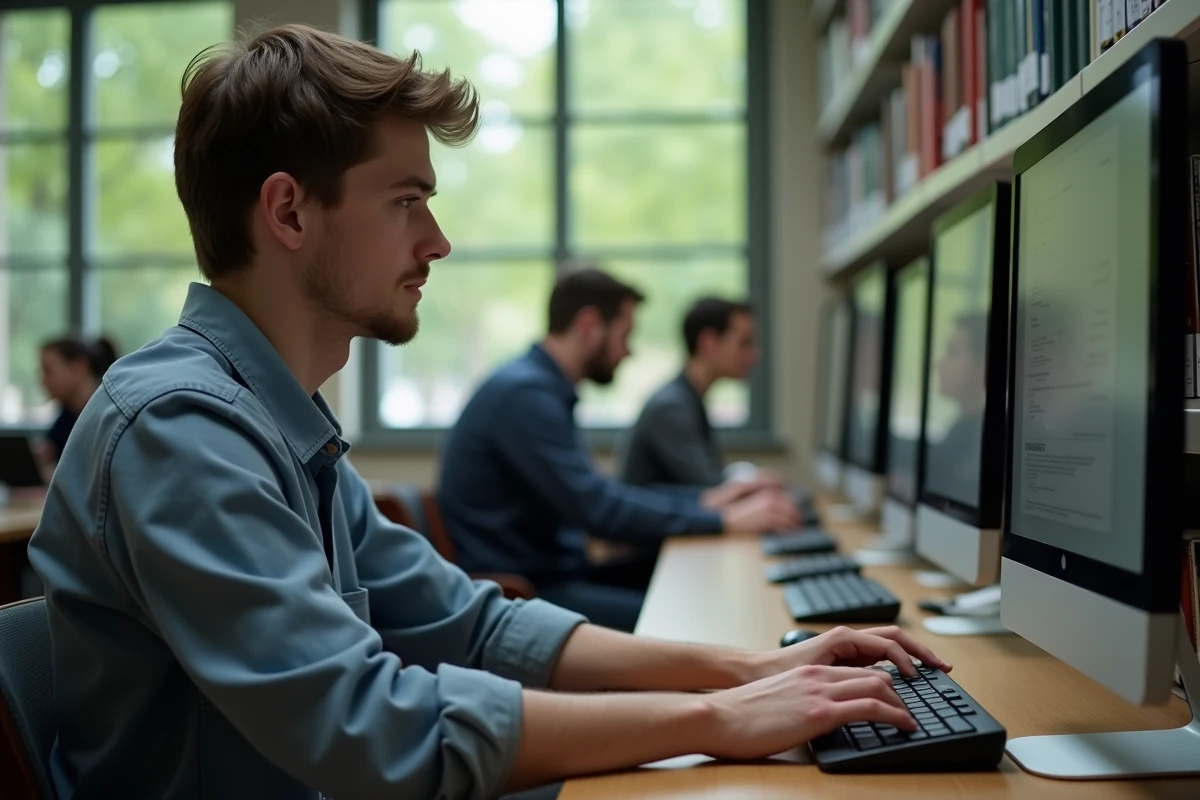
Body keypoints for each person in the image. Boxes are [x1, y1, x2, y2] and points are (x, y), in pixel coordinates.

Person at [29, 24, 950, 800]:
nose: (437, 242)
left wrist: (751, 670)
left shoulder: (275, 421)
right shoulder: (181, 430)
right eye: (407, 202)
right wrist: (718, 719)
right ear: (289, 212)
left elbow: (474, 626)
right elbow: (368, 729)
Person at [438, 271, 800, 632]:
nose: (629, 351)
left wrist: (706, 501)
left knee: (695, 587)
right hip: (526, 593)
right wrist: (724, 520)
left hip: (556, 574)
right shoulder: (525, 396)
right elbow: (597, 511)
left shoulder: (536, 387)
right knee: (699, 617)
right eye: (625, 334)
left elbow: (600, 494)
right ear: (589, 325)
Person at [618, 297, 779, 490]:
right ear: (708, 342)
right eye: (744, 343)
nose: (754, 355)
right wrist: (754, 486)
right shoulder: (670, 408)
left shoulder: (687, 399)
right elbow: (711, 492)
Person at [925, 312, 989, 508]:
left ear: (984, 365)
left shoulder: (983, 443)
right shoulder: (959, 430)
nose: (939, 363)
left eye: (952, 352)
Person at [38, 334, 119, 462]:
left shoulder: (112, 416)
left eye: (48, 371)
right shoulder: (66, 418)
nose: (42, 381)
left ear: (79, 367)